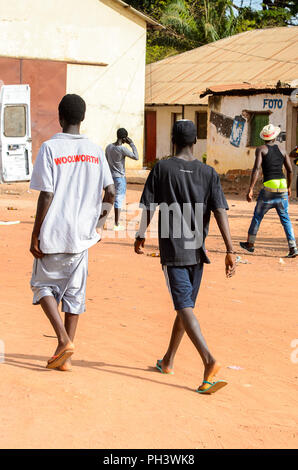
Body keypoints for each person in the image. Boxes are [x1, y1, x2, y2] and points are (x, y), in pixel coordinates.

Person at [134, 119, 236, 395]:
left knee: (183, 306)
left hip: (174, 250)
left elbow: (148, 205)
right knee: (185, 306)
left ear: (173, 141)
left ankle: (209, 361)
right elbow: (220, 211)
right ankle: (168, 360)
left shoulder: (162, 168)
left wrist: (140, 234)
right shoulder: (208, 173)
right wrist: (229, 249)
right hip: (197, 251)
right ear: (195, 143)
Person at [29, 94, 115, 371]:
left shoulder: (50, 148)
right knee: (74, 296)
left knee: (42, 287)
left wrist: (35, 232)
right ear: (83, 118)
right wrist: (98, 226)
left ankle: (64, 340)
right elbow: (111, 192)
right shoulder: (96, 150)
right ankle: (65, 356)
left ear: (60, 117)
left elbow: (47, 194)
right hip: (82, 237)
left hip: (54, 232)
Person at [240, 124, 298, 258]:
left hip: (268, 190)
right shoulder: (283, 151)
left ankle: (250, 244)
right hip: (282, 187)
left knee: (257, 216)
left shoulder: (261, 149)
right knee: (286, 219)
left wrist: (250, 189)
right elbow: (289, 170)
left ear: (264, 137)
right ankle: (293, 247)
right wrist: (289, 187)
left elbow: (256, 169)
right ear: (275, 137)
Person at [105, 128, 139, 231]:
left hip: (110, 177)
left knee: (108, 198)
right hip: (119, 177)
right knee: (118, 200)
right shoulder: (122, 149)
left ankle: (102, 222)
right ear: (124, 138)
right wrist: (132, 144)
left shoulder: (109, 147)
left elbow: (106, 161)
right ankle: (116, 224)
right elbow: (136, 157)